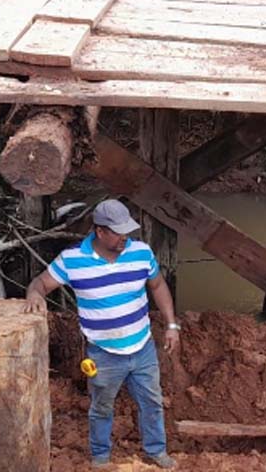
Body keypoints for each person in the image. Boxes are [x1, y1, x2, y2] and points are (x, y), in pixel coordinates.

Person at [24, 199, 180, 469]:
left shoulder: (141, 253)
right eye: (118, 232)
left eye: (127, 231)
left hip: (142, 348)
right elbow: (40, 283)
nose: (125, 238)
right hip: (103, 354)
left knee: (152, 402)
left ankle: (156, 451)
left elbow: (157, 286)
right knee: (102, 407)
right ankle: (100, 457)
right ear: (100, 231)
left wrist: (171, 325)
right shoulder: (73, 260)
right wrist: (34, 294)